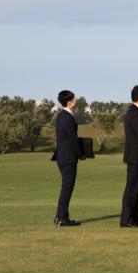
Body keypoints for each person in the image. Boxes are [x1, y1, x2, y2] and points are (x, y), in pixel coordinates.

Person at [51, 89, 83, 226]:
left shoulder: (61, 116)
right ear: (69, 102)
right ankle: (62, 218)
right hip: (68, 157)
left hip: (61, 156)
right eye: (74, 99)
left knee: (65, 187)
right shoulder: (68, 118)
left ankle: (60, 216)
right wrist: (81, 154)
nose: (76, 101)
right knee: (67, 188)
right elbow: (72, 140)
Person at [120, 85, 138, 228]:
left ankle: (135, 216)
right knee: (132, 189)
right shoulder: (135, 113)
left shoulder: (136, 112)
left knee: (136, 189)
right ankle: (127, 219)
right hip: (136, 156)